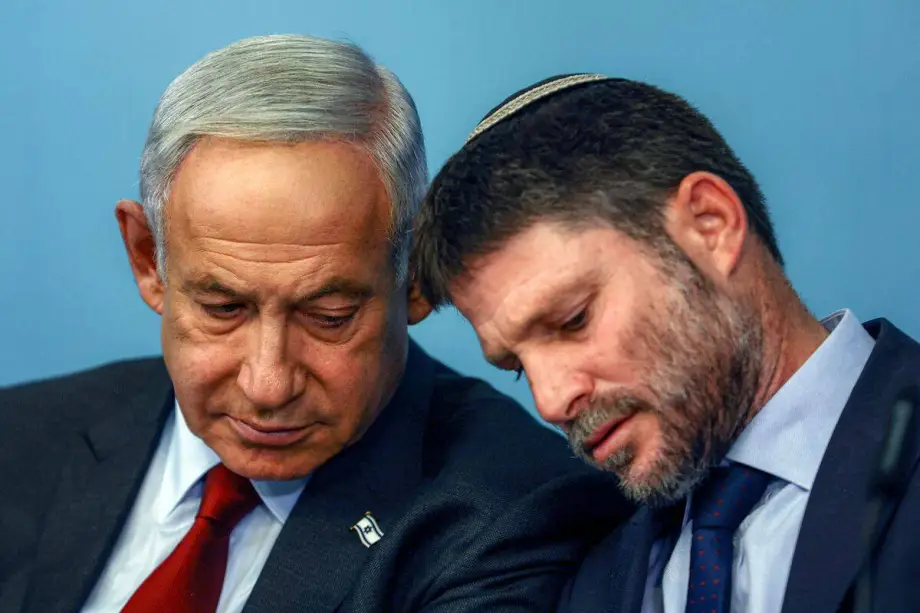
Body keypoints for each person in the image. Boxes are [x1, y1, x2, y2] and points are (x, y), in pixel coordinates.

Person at [0, 44, 629, 613]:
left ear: (417, 275)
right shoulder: (19, 437)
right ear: (148, 259)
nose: (269, 385)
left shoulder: (509, 515)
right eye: (222, 309)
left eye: (329, 318)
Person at [411, 73, 920, 613]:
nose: (550, 401)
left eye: (573, 319)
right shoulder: (582, 578)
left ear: (710, 225)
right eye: (516, 365)